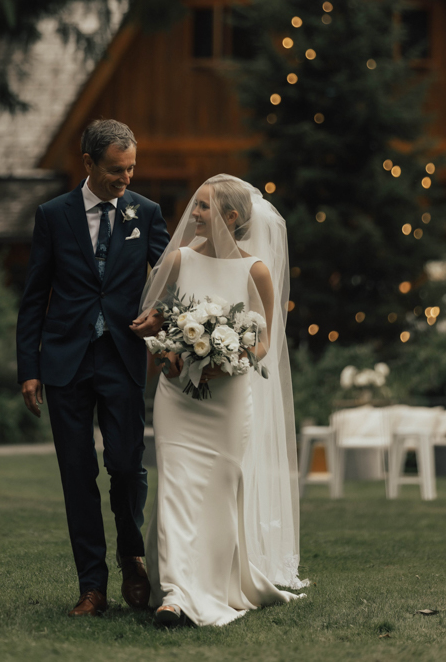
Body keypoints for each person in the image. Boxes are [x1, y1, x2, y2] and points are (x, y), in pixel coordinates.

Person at [135, 174, 308, 628]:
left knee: (217, 493)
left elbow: (265, 341)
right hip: (177, 397)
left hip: (228, 401)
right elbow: (156, 322)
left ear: (231, 217)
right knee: (174, 484)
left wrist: (229, 357)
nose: (193, 213)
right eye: (196, 205)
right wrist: (168, 348)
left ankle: (210, 585)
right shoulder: (175, 261)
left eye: (205, 207)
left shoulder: (255, 271)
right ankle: (175, 594)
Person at [17, 119, 170, 617]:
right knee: (77, 473)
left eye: (130, 169)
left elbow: (173, 279)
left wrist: (163, 315)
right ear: (88, 164)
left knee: (127, 466)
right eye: (114, 171)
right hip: (64, 361)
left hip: (123, 358)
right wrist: (29, 367)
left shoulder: (144, 213)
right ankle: (92, 586)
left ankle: (132, 554)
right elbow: (35, 295)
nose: (125, 179)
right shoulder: (53, 215)